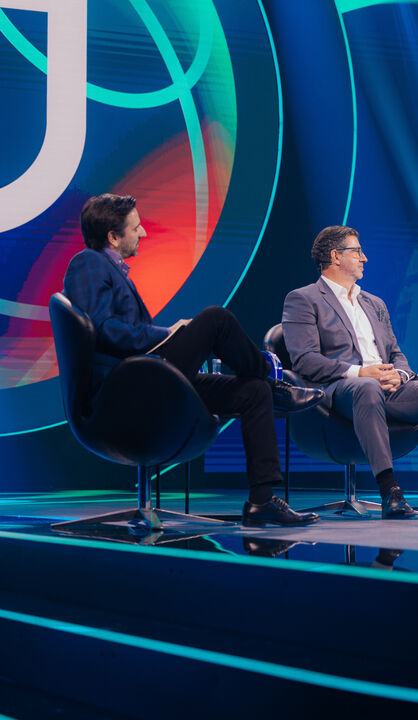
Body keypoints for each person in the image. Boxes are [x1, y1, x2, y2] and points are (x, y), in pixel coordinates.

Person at [63, 194, 324, 526]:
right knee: (216, 319)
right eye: (136, 227)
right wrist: (167, 335)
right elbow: (104, 331)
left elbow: (122, 329)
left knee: (253, 392)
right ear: (113, 237)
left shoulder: (113, 271)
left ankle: (262, 500)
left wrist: (168, 334)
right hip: (124, 390)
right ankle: (276, 384)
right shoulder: (89, 263)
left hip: (146, 378)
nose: (143, 233)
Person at [281, 225, 418, 519]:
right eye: (357, 251)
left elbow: (395, 353)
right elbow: (305, 361)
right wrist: (362, 374)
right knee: (368, 388)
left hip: (388, 386)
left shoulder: (374, 303)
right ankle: (390, 491)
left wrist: (399, 375)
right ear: (335, 256)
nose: (365, 258)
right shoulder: (303, 299)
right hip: (342, 389)